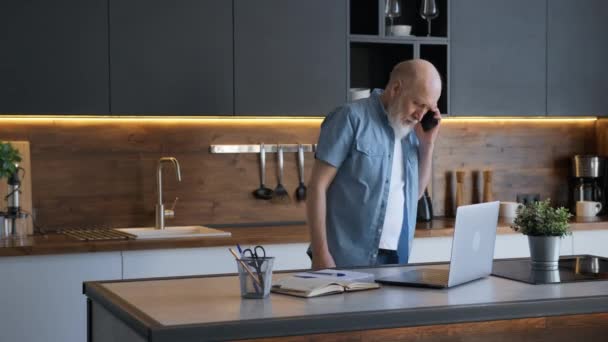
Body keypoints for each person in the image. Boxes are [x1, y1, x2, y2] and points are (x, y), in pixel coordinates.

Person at [307, 59, 442, 269]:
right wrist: (320, 253)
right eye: (417, 103)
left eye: (427, 108)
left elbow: (414, 194)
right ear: (396, 88)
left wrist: (427, 144)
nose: (420, 115)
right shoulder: (350, 118)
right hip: (343, 260)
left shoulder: (412, 130)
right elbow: (317, 186)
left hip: (396, 258)